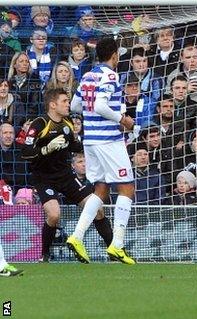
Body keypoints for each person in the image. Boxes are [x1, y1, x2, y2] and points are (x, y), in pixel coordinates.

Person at [21, 88, 113, 262]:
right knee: (54, 215)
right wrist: (46, 149)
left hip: (66, 176)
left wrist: (91, 145)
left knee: (98, 209)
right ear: (53, 104)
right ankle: (44, 256)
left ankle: (114, 250)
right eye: (64, 101)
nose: (68, 105)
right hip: (44, 178)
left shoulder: (68, 122)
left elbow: (75, 147)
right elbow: (25, 152)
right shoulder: (39, 124)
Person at [68, 38, 136, 265]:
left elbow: (75, 106)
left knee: (101, 190)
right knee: (126, 188)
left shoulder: (88, 75)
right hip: (109, 141)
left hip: (91, 141)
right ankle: (117, 245)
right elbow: (99, 105)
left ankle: (77, 236)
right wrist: (123, 120)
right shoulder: (110, 75)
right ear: (114, 54)